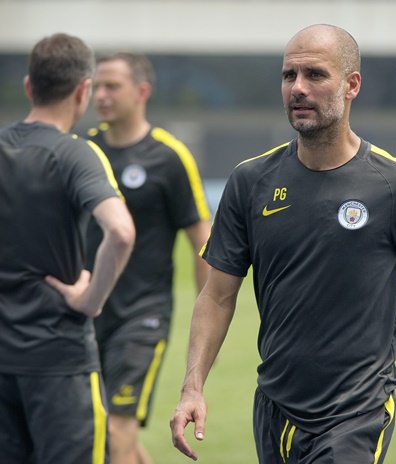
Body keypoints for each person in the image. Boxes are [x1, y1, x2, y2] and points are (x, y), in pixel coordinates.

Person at [170, 24, 396, 464]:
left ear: (352, 85)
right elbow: (217, 294)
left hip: (358, 410)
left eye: (315, 75)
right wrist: (193, 386)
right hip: (274, 407)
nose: (298, 88)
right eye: (289, 76)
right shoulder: (250, 182)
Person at [0, 33, 135, 463]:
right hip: (60, 361)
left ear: (28, 86)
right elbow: (121, 232)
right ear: (83, 90)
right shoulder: (77, 154)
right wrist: (90, 299)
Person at [85, 52, 212, 464]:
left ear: (142, 92)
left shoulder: (169, 156)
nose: (100, 95)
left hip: (142, 315)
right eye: (97, 86)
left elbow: (201, 237)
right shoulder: (84, 151)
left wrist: (206, 312)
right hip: (87, 311)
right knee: (99, 423)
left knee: (119, 425)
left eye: (112, 86)